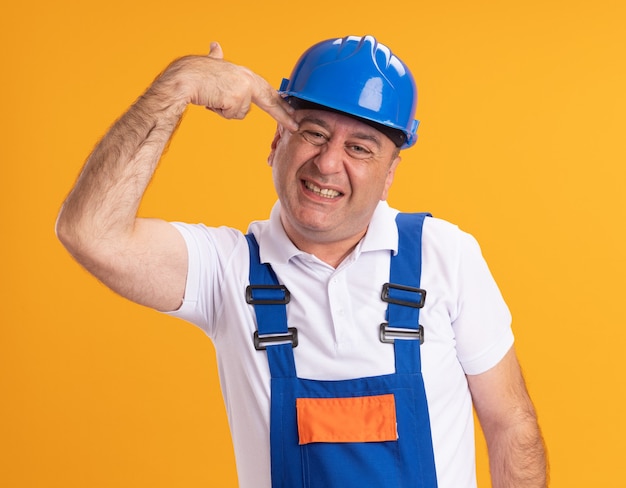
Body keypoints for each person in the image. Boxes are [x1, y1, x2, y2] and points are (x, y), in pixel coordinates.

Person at [56, 35, 547, 487]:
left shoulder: (445, 255)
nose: (329, 163)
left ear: (390, 172)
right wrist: (176, 86)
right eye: (313, 133)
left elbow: (511, 426)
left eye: (360, 147)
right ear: (276, 142)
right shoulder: (226, 271)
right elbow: (89, 231)